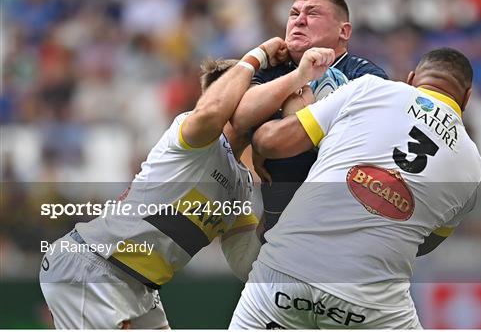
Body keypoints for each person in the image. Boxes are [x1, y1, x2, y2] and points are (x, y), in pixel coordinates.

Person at [39, 36, 336, 329]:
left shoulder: (242, 183)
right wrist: (257, 56)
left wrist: (279, 203)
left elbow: (246, 263)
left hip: (139, 289)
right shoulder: (194, 135)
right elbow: (212, 111)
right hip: (93, 268)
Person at [229, 47, 481, 329]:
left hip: (284, 273)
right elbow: (425, 244)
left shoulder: (370, 89)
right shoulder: (473, 166)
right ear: (467, 98)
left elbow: (273, 143)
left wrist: (264, 138)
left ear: (411, 78)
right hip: (370, 305)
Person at [230, 0, 388, 239]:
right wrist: (297, 75)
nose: (299, 21)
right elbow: (241, 117)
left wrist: (270, 141)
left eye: (312, 14)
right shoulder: (273, 71)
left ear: (344, 31)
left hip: (338, 229)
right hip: (277, 229)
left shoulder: (366, 76)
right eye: (293, 14)